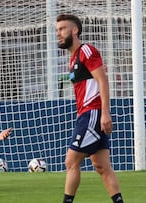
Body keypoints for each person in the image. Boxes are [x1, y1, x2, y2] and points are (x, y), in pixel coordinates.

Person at [56, 14, 124, 203]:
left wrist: (105, 112)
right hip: (88, 114)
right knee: (102, 166)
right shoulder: (73, 59)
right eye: (57, 30)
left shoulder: (86, 50)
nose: (58, 34)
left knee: (71, 161)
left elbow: (102, 80)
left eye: (62, 29)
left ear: (75, 30)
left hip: (92, 113)